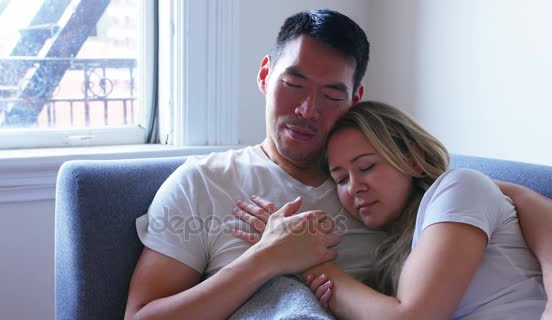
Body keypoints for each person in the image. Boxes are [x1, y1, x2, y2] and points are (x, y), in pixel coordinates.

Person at [124, 9, 552, 319]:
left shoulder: (388, 188)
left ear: (355, 99)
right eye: (293, 84)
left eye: (331, 96)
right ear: (264, 76)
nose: (308, 110)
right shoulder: (204, 183)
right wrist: (265, 259)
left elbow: (499, 194)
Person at [234, 101, 550, 319]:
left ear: (413, 158)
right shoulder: (400, 252)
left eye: (367, 166)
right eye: (340, 178)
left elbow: (412, 317)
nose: (353, 187)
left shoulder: (460, 188)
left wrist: (305, 260)